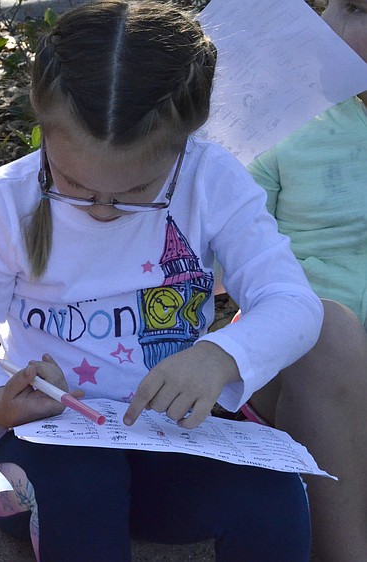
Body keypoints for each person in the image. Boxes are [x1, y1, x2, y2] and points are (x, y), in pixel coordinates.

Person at [0, 1, 323, 560]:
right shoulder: (6, 199)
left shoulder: (211, 180)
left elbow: (293, 302)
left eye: (136, 192)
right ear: (43, 128)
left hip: (169, 442)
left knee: (271, 492)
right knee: (83, 486)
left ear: (184, 142)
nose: (103, 211)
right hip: (43, 446)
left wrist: (219, 356)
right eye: (74, 185)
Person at [241, 1, 367, 559]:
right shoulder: (279, 126)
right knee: (323, 327)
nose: (337, 28)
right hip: (306, 370)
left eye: (361, 10)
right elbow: (228, 267)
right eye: (343, 6)